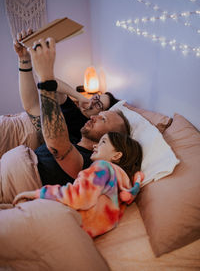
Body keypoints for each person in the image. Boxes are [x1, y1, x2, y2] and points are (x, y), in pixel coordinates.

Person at [0, 37, 131, 204]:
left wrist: (46, 78)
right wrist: (25, 59)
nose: (93, 115)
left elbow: (57, 144)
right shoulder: (76, 139)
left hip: (14, 180)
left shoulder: (89, 161)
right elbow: (38, 106)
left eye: (102, 117)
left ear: (109, 138)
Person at [13, 131, 144, 238]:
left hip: (60, 222)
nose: (95, 146)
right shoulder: (121, 189)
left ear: (117, 155)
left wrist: (36, 194)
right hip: (75, 234)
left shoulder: (102, 168)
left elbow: (78, 196)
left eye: (102, 142)